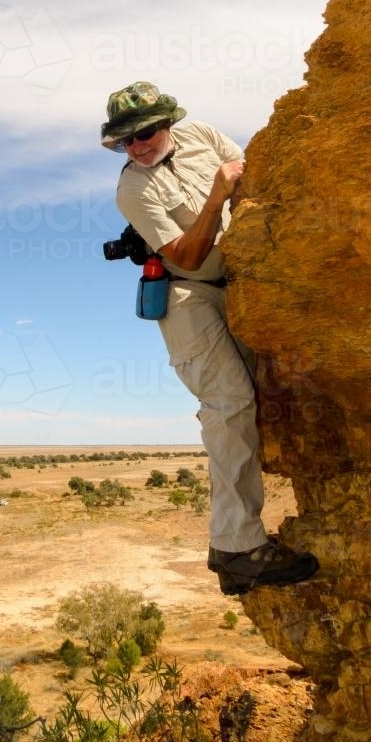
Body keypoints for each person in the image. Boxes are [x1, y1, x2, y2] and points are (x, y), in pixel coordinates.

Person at [101, 81, 319, 596]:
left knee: (249, 403)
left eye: (147, 133)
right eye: (126, 141)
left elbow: (252, 176)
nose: (138, 146)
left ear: (168, 125)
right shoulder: (132, 189)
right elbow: (188, 256)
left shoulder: (201, 135)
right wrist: (217, 193)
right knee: (228, 401)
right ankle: (238, 549)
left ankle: (233, 546)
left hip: (238, 282)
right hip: (185, 295)